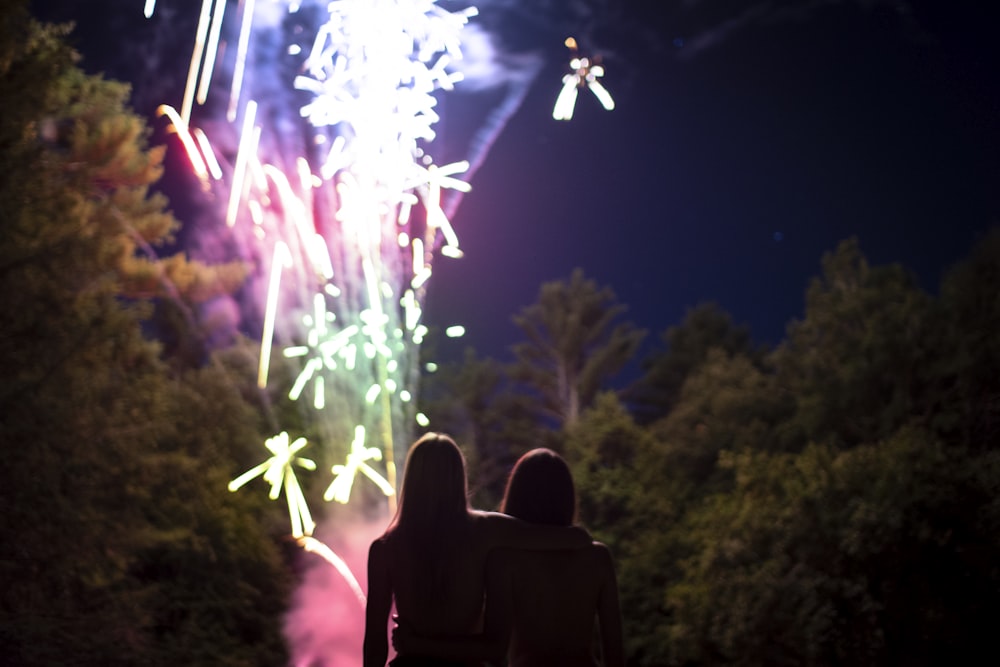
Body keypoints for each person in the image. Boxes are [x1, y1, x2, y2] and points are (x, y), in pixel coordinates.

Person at [363, 434, 591, 667]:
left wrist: (416, 644)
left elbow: (374, 646)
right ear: (458, 476)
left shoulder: (384, 549)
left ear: (411, 480)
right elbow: (578, 538)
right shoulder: (486, 530)